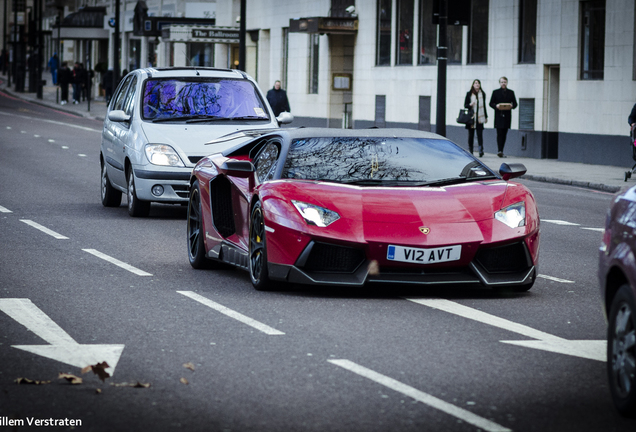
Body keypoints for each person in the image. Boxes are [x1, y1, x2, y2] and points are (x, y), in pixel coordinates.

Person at [489, 76, 518, 158]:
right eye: (502, 82)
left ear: (507, 83)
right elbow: (491, 103)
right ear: (500, 83)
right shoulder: (495, 92)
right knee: (499, 133)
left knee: (505, 133)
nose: (503, 83)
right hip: (499, 115)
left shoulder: (511, 92)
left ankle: (502, 149)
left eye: (504, 82)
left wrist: (512, 106)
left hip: (507, 116)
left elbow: (515, 104)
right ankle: (499, 150)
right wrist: (496, 106)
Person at [464, 79, 488, 157]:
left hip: (479, 117)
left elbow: (484, 106)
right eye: (475, 83)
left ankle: (481, 150)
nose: (477, 85)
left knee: (480, 134)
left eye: (478, 83)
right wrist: (470, 104)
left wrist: (486, 116)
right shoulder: (469, 94)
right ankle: (470, 149)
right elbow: (465, 105)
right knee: (471, 135)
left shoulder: (482, 94)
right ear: (473, 85)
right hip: (471, 117)